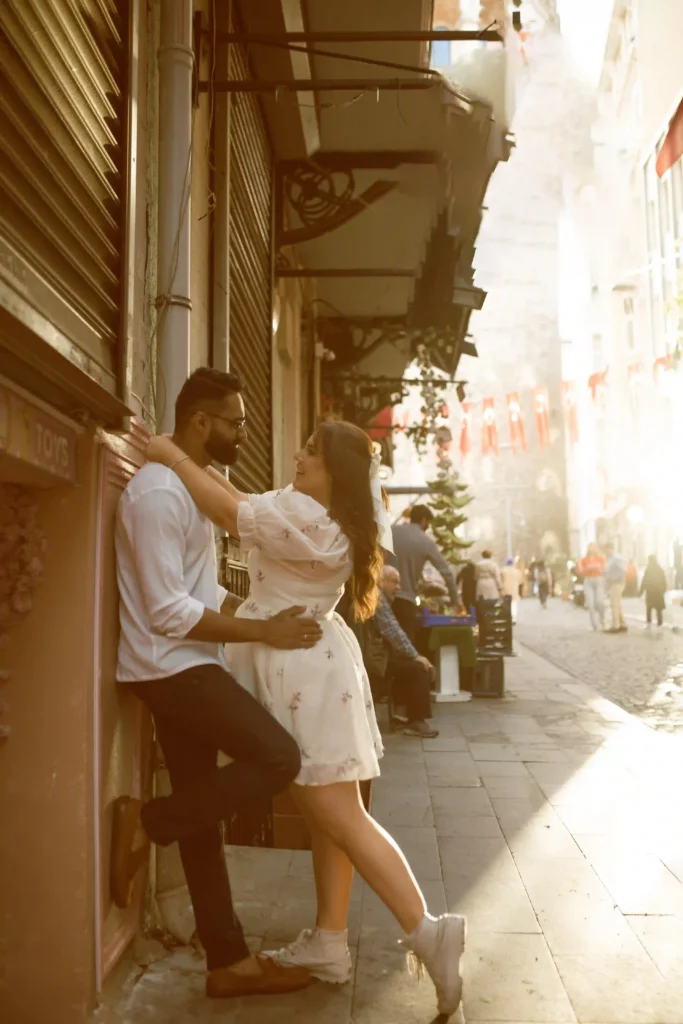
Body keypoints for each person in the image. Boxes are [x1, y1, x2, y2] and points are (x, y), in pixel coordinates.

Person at [146, 421, 468, 1018]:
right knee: (333, 815)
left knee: (337, 815)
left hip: (301, 673)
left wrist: (168, 453)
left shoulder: (301, 513)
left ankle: (428, 930)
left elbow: (229, 509)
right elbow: (239, 503)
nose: (298, 454)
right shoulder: (335, 525)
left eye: (312, 453)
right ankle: (329, 941)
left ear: (333, 474)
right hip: (319, 668)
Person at [112, 368, 323, 999]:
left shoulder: (189, 488)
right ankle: (149, 821)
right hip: (169, 666)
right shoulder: (156, 495)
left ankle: (227, 961)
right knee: (279, 756)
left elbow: (196, 591)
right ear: (200, 422)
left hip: (190, 661)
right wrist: (263, 635)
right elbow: (164, 611)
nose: (242, 431)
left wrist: (255, 612)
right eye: (234, 421)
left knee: (203, 808)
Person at [373, 566, 439, 739]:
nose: (398, 587)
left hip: (375, 656)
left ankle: (401, 715)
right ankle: (416, 721)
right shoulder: (376, 599)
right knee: (418, 668)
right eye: (394, 582)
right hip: (374, 660)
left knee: (408, 664)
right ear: (381, 581)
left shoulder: (379, 598)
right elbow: (393, 631)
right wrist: (416, 656)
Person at [389, 505, 459, 643]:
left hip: (381, 600)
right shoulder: (425, 541)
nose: (428, 527)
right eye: (428, 523)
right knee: (405, 645)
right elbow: (446, 572)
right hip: (406, 600)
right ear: (423, 520)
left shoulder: (391, 531)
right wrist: (455, 600)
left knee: (384, 645)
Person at [576, 543, 606, 631]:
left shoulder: (601, 558)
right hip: (588, 581)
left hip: (599, 580)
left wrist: (591, 568)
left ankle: (602, 621)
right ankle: (594, 625)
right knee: (590, 604)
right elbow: (580, 570)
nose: (592, 549)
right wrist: (591, 568)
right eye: (591, 547)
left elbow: (603, 569)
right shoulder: (584, 560)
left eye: (594, 547)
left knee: (600, 602)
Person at [604, 542, 628, 633]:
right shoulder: (609, 558)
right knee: (617, 604)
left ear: (611, 549)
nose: (606, 551)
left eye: (607, 549)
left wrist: (614, 578)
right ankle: (622, 624)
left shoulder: (617, 558)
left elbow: (623, 570)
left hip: (617, 583)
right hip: (613, 583)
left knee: (614, 604)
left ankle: (615, 625)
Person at [640, 554, 667, 627]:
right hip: (658, 591)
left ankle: (648, 620)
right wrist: (664, 590)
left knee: (649, 606)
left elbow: (644, 580)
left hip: (650, 591)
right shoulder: (660, 569)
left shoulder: (648, 569)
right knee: (659, 608)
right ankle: (660, 622)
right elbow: (664, 580)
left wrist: (641, 591)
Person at [501, 558, 522, 623]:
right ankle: (514, 618)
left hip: (505, 589)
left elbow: (500, 580)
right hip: (514, 588)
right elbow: (520, 581)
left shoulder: (503, 570)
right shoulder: (516, 571)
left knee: (506, 603)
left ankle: (506, 617)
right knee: (514, 603)